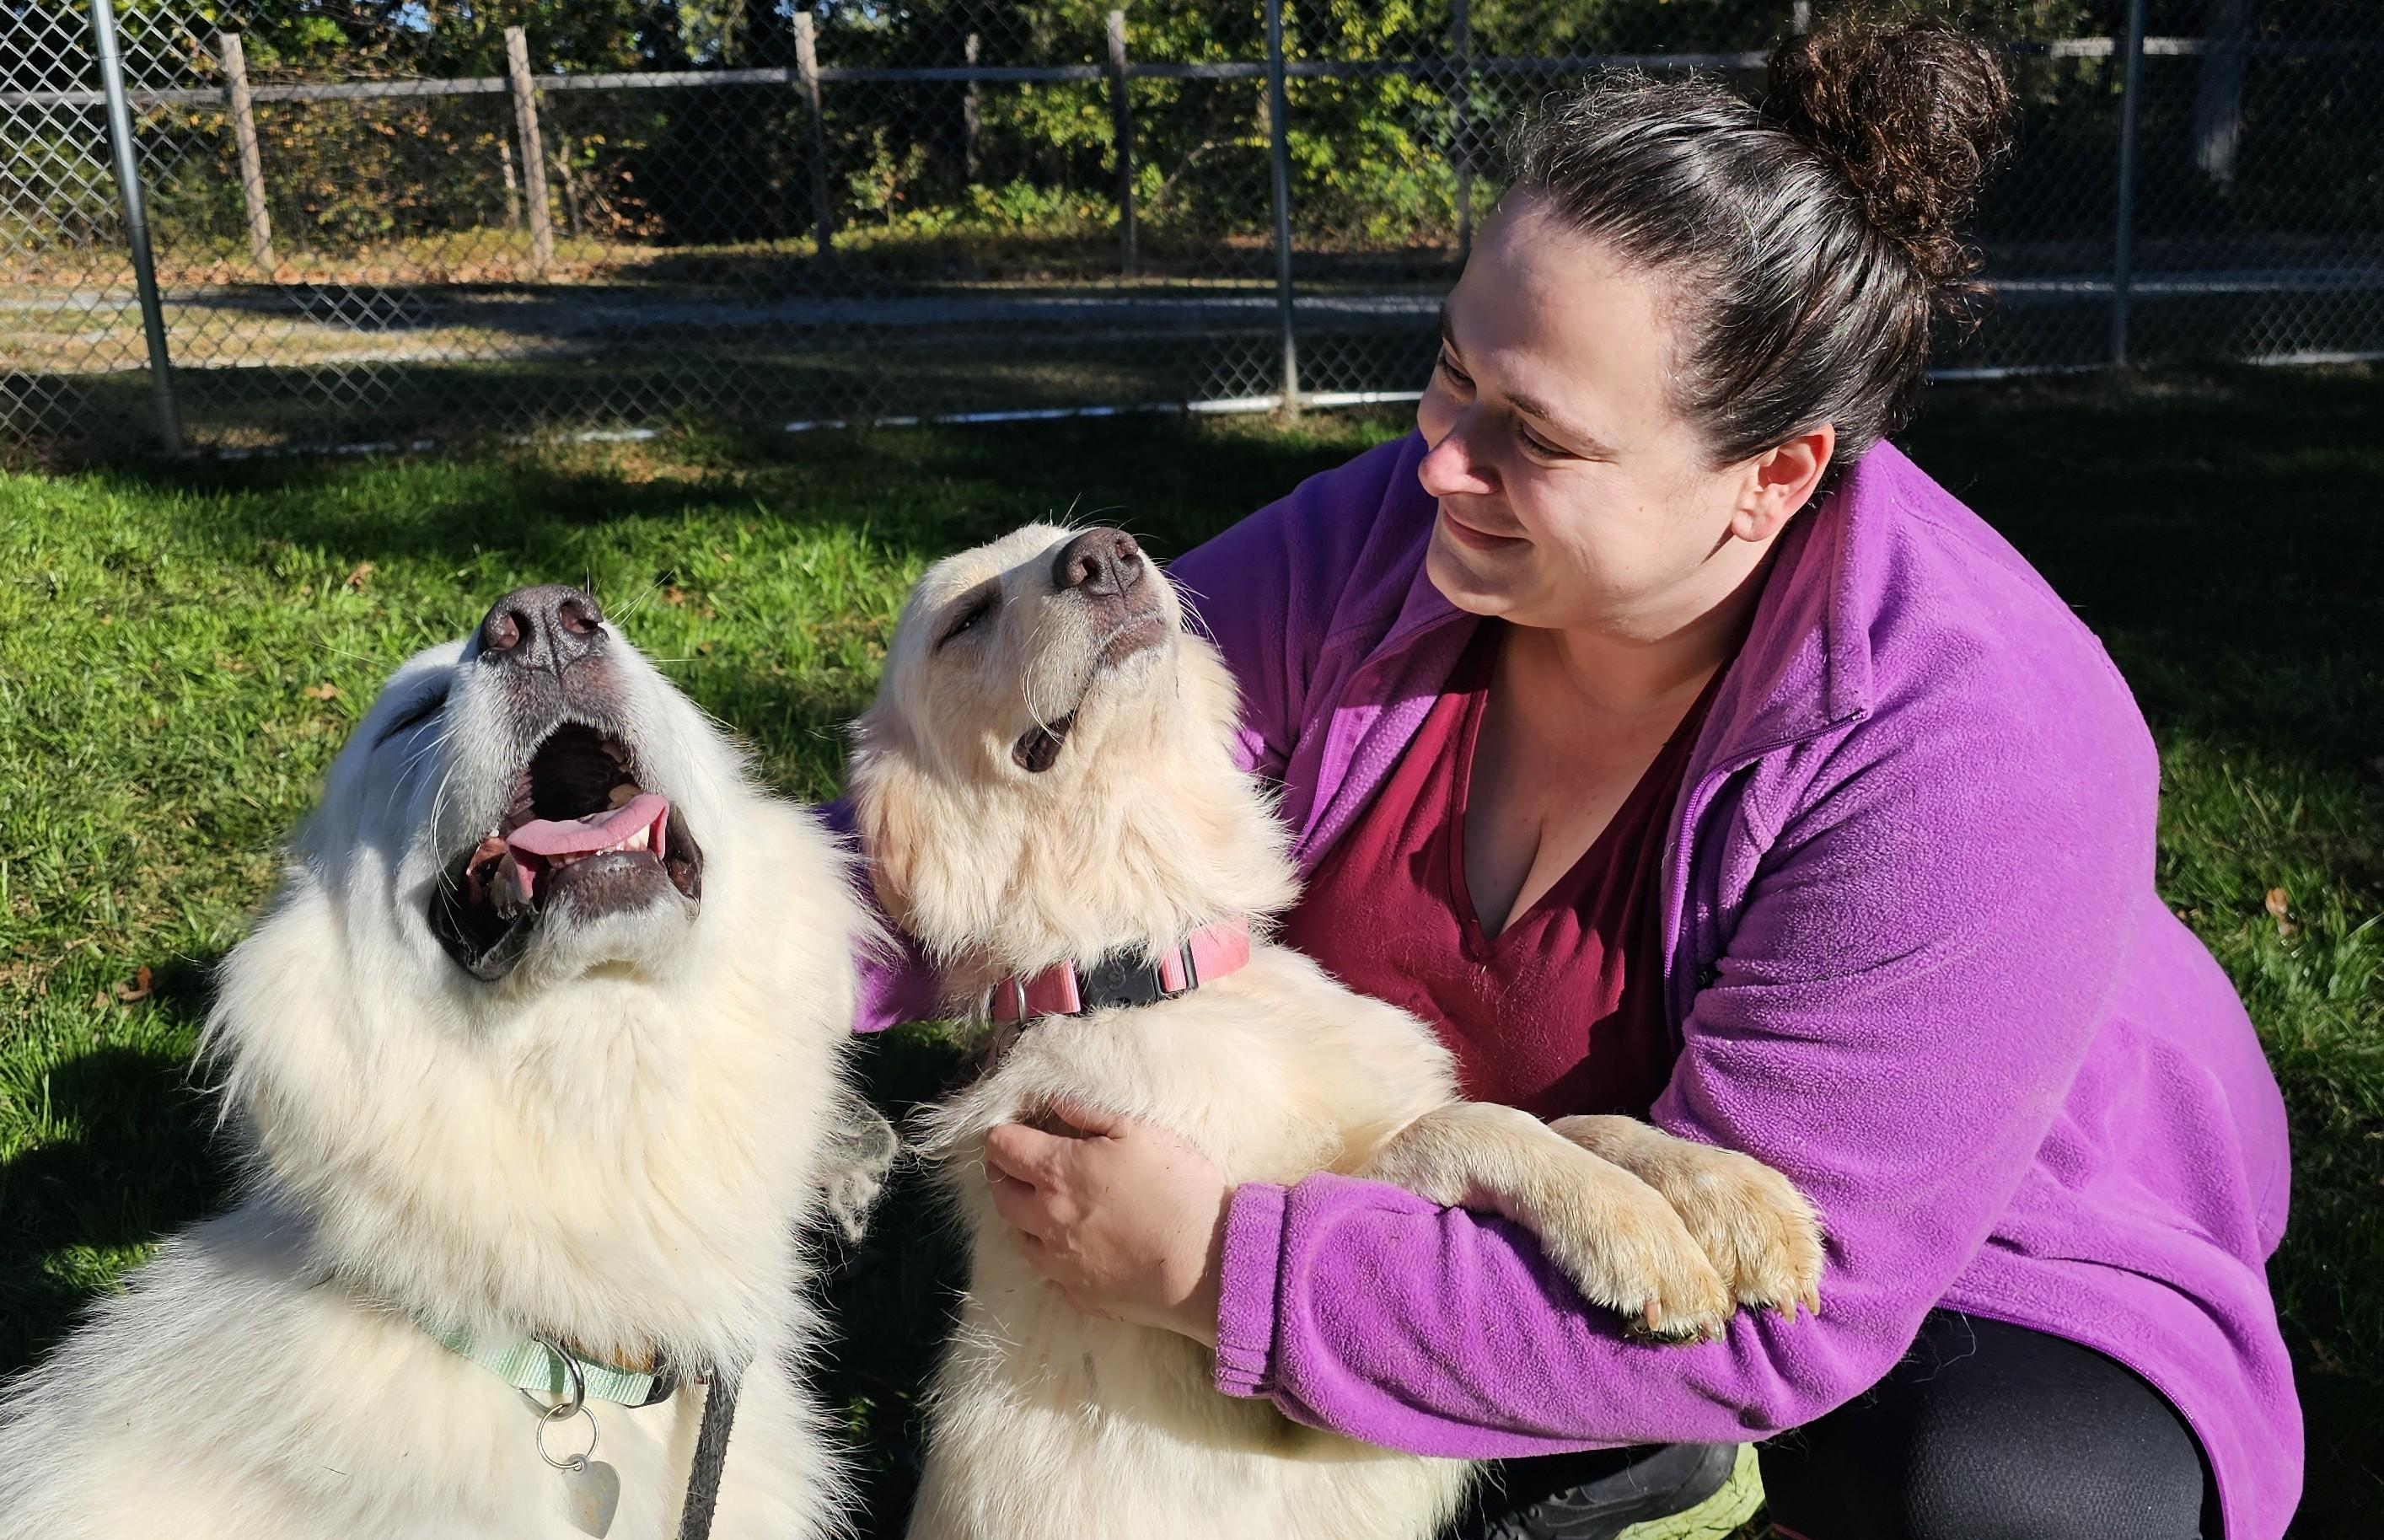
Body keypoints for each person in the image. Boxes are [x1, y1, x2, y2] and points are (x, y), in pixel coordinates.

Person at [850, 24, 2301, 1540]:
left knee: (1996, 1495)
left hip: (1956, 1234)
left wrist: (1221, 1270)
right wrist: (707, 932)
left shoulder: (1984, 739)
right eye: (1451, 369)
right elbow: (1005, 810)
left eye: (1534, 434)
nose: (1438, 464)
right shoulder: (1394, 543)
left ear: (1777, 476)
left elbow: (1778, 1319)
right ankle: (1555, 1422)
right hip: (1538, 1181)